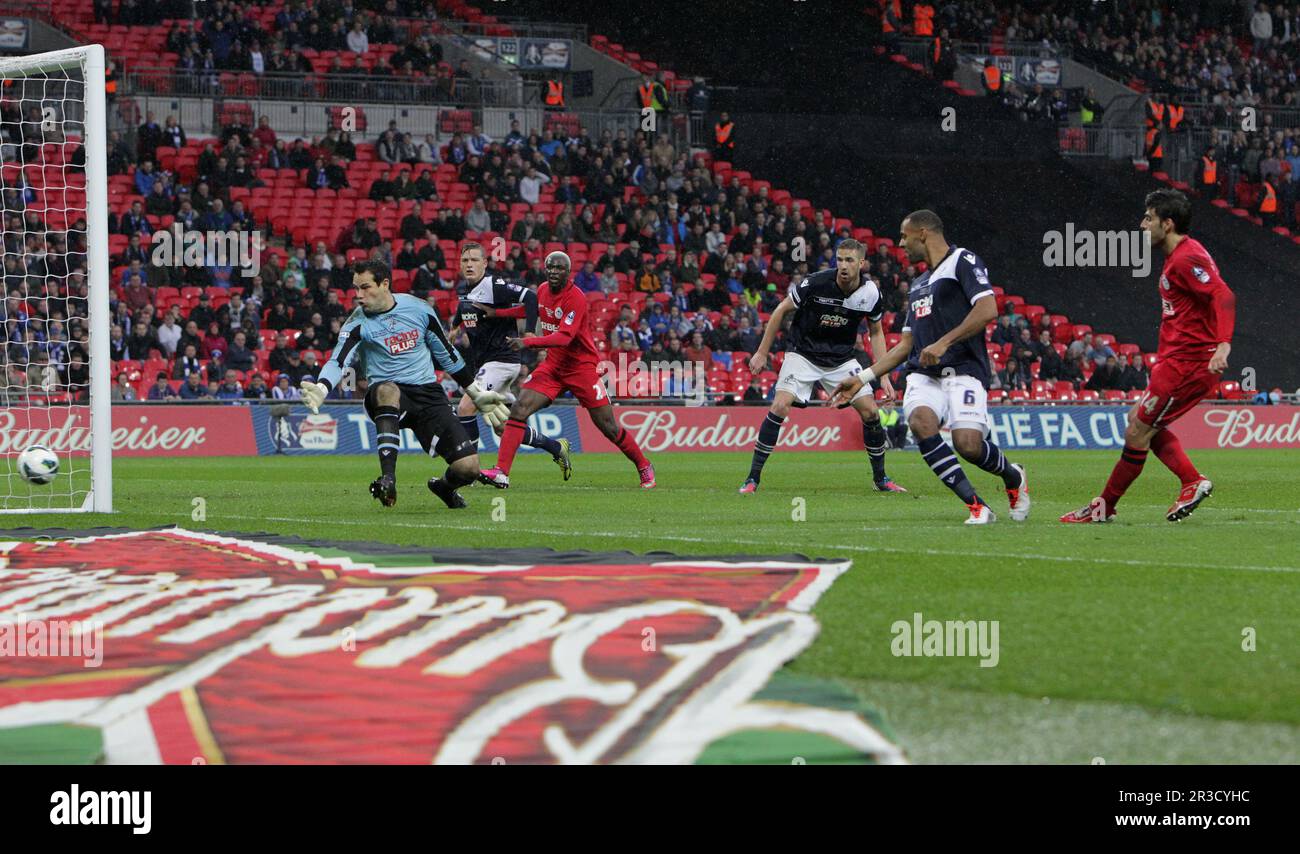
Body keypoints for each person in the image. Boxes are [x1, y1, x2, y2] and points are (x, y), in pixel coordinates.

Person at [832, 210, 1028, 524]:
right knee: (922, 423)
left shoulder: (962, 261)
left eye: (904, 236)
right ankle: (977, 506)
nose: (900, 244)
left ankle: (1013, 476)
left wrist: (944, 342)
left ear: (922, 233)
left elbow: (988, 308)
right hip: (924, 376)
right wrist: (863, 378)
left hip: (964, 370)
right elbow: (906, 346)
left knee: (969, 445)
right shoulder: (919, 285)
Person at [1062, 190, 1234, 523]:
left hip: (1188, 364)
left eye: (1148, 218)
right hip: (1176, 363)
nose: (1142, 225)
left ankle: (1104, 507)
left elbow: (1223, 295)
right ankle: (1190, 480)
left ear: (1167, 224)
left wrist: (1224, 344)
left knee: (1137, 432)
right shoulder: (1182, 256)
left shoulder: (1186, 258)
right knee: (1137, 422)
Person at [299, 261, 510, 509]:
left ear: (385, 284)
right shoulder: (357, 323)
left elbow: (447, 355)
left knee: (468, 468)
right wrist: (322, 387)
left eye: (365, 287)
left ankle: (443, 487)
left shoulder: (419, 310)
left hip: (428, 394)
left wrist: (476, 393)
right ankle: (388, 479)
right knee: (388, 389)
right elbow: (338, 360)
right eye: (356, 289)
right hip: (386, 393)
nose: (358, 295)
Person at [477, 252, 656, 489]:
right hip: (553, 366)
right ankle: (501, 472)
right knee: (520, 408)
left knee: (609, 427)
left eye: (559, 268)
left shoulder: (576, 298)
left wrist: (527, 342)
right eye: (550, 267)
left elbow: (564, 337)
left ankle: (643, 465)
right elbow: (529, 311)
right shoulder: (541, 290)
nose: (553, 271)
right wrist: (496, 314)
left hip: (581, 369)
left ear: (568, 272)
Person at [740, 238, 906, 494]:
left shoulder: (871, 293)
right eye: (839, 259)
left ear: (861, 263)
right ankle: (752, 478)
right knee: (780, 405)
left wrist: (882, 375)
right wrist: (762, 353)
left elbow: (876, 332)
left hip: (841, 360)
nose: (843, 265)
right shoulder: (815, 283)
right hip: (802, 354)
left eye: (849, 260)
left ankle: (881, 479)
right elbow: (780, 311)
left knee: (871, 412)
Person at [450, 242, 570, 473]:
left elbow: (531, 297)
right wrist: (455, 327)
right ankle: (556, 447)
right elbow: (464, 307)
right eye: (465, 260)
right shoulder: (466, 289)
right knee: (504, 427)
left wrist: (529, 331)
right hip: (489, 364)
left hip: (502, 361)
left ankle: (468, 471)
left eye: (475, 260)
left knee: (465, 408)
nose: (469, 264)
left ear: (485, 263)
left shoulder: (493, 285)